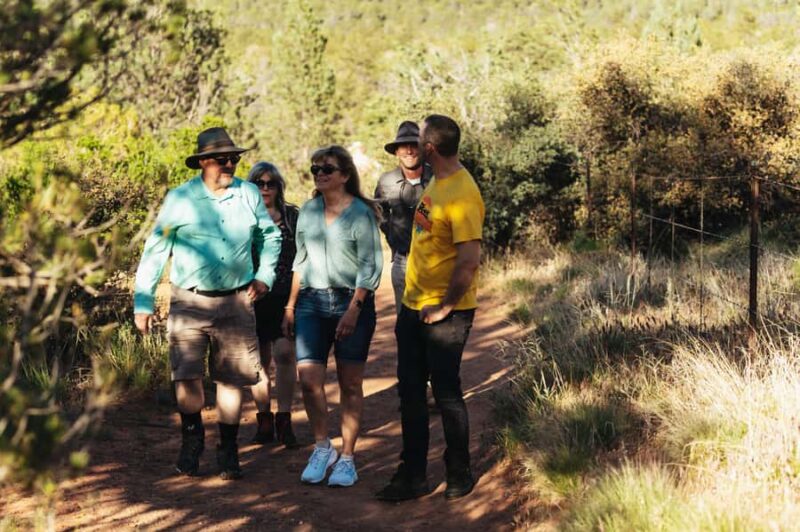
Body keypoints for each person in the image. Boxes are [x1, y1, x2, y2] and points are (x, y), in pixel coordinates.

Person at [133, 127, 281, 480]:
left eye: (234, 159)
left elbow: (270, 236)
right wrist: (143, 301)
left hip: (237, 301)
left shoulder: (248, 193)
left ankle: (227, 449)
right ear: (203, 162)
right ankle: (192, 440)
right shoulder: (180, 199)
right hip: (189, 301)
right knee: (186, 376)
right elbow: (156, 249)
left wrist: (265, 275)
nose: (229, 165)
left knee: (231, 380)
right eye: (222, 159)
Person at [376, 115, 485, 501]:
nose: (412, 143)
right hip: (413, 305)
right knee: (410, 393)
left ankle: (459, 471)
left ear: (430, 148)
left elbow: (468, 262)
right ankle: (413, 474)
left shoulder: (462, 193)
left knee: (445, 391)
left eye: (418, 138)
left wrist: (445, 307)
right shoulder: (437, 180)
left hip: (445, 313)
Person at [282, 145, 383, 488]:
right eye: (315, 169)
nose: (320, 174)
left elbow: (370, 267)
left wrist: (353, 310)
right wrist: (290, 306)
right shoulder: (309, 211)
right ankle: (322, 447)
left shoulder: (361, 215)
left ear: (345, 175)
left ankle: (348, 458)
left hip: (351, 302)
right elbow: (300, 260)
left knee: (349, 383)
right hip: (311, 302)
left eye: (327, 168)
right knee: (309, 380)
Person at [247, 162, 300, 448]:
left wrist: (294, 302)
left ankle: (285, 419)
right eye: (259, 183)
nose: (265, 188)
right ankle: (264, 420)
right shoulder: (244, 217)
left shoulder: (293, 217)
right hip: (252, 297)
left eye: (271, 183)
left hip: (286, 296)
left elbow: (303, 258)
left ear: (279, 187)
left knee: (285, 354)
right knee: (259, 361)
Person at [374, 121, 432, 314]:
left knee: (436, 323)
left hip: (435, 260)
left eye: (414, 144)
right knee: (405, 321)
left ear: (422, 148)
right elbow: (378, 211)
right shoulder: (386, 181)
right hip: (402, 260)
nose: (409, 151)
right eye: (403, 146)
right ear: (396, 152)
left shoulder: (437, 177)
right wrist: (392, 237)